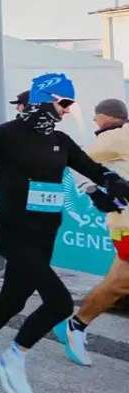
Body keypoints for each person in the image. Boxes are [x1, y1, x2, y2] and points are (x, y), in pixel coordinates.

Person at [0, 74, 129, 393]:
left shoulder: (60, 140)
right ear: (45, 100)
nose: (69, 110)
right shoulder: (4, 135)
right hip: (11, 231)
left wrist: (113, 183)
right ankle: (13, 357)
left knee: (13, 300)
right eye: (65, 103)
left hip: (45, 233)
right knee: (59, 303)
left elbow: (92, 169)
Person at [55, 97, 129, 366]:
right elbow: (76, 162)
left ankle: (76, 324)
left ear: (105, 117)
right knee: (120, 283)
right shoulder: (115, 138)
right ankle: (76, 325)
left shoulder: (116, 136)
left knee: (119, 282)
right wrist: (94, 191)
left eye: (96, 117)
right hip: (126, 224)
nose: (95, 121)